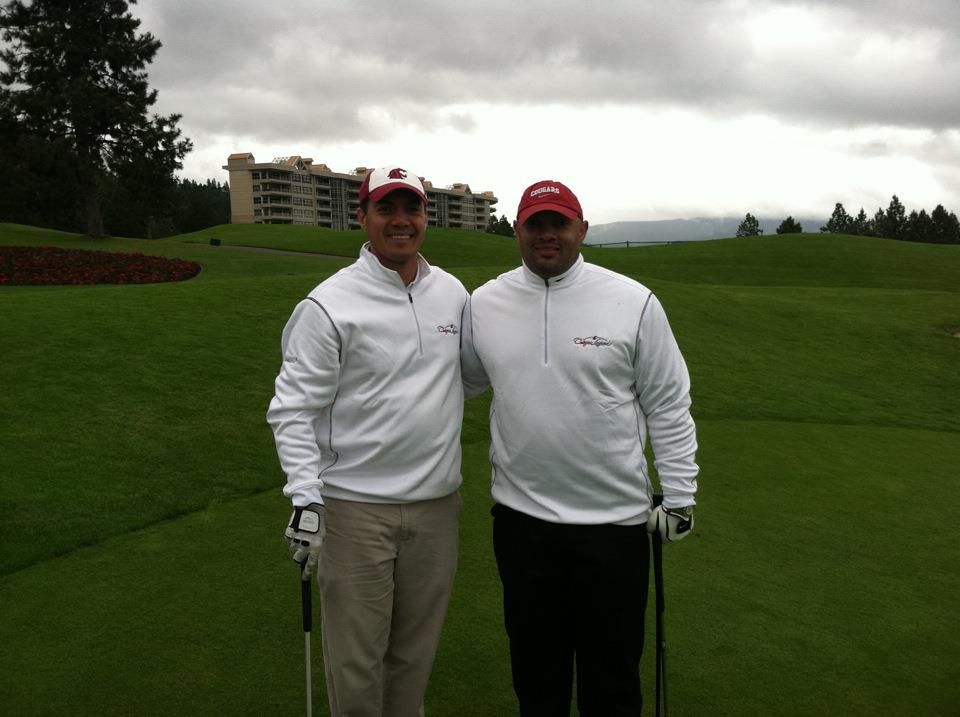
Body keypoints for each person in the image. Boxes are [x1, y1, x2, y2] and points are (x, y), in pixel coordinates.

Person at [461, 179, 699, 716]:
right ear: (517, 231)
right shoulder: (486, 303)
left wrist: (681, 496)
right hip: (522, 526)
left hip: (614, 528)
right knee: (535, 679)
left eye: (559, 223)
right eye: (534, 224)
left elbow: (668, 403)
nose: (547, 235)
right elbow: (464, 381)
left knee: (610, 683)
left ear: (582, 230)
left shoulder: (633, 302)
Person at [267, 166, 468, 717]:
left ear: (426, 217)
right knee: (357, 663)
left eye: (413, 209)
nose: (401, 222)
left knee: (414, 656)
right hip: (355, 509)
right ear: (363, 218)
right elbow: (292, 409)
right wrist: (305, 498)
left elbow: (465, 374)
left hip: (436, 507)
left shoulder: (450, 292)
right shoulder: (328, 305)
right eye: (387, 209)